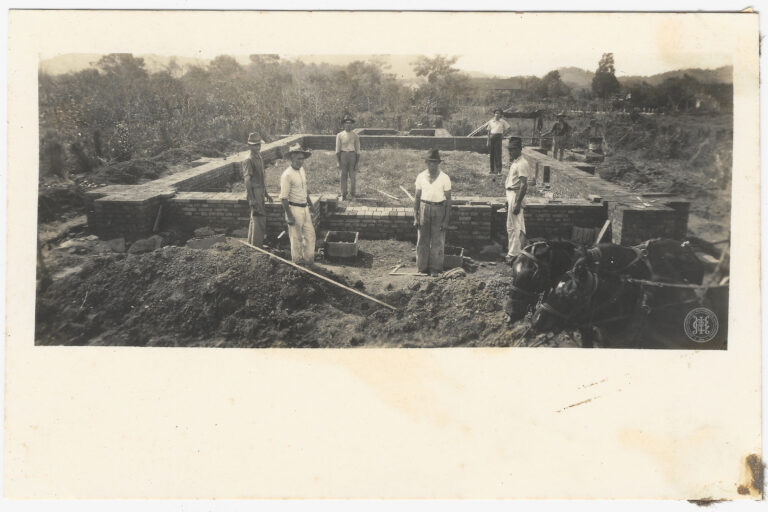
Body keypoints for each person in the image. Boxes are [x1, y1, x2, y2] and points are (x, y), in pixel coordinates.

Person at [413, 149, 452, 276]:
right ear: (426, 163)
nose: (432, 165)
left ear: (438, 163)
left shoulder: (445, 178)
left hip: (439, 209)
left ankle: (435, 268)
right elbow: (417, 197)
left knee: (437, 241)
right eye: (430, 162)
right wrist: (416, 217)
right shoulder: (420, 176)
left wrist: (446, 220)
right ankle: (422, 268)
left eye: (435, 162)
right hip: (424, 208)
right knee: (422, 240)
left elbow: (448, 200)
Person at [279, 143, 316, 265]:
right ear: (291, 158)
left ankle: (309, 262)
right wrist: (289, 216)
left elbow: (304, 190)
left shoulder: (302, 170)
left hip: (305, 208)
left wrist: (311, 205)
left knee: (310, 236)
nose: (300, 161)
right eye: (298, 159)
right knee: (296, 239)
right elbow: (283, 198)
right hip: (294, 209)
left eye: (302, 159)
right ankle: (297, 265)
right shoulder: (287, 175)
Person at [242, 132, 272, 247]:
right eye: (254, 145)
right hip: (254, 191)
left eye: (259, 144)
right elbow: (247, 180)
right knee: (259, 218)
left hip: (260, 190)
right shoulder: (248, 159)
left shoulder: (259, 157)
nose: (257, 147)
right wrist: (251, 198)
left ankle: (251, 244)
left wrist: (266, 194)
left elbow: (261, 177)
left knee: (255, 218)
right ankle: (257, 246)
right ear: (249, 145)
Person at [504, 137, 532, 263]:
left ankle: (514, 255)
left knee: (516, 226)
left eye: (514, 149)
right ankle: (514, 251)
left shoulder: (522, 163)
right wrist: (508, 199)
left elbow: (523, 185)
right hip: (511, 194)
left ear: (520, 149)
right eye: (510, 149)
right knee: (511, 226)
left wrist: (517, 203)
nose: (511, 152)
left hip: (516, 195)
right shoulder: (515, 162)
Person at [335, 114, 361, 200]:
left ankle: (353, 194)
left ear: (352, 124)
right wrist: (338, 162)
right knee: (343, 175)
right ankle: (343, 194)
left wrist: (357, 163)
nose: (348, 124)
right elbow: (337, 150)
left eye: (350, 123)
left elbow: (358, 150)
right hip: (343, 156)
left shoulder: (355, 135)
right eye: (346, 123)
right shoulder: (339, 135)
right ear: (344, 124)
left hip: (352, 156)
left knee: (353, 176)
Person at [486, 107, 511, 174]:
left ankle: (499, 171)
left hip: (498, 138)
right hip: (492, 137)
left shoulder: (502, 121)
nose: (497, 114)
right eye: (496, 113)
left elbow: (509, 128)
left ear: (500, 115)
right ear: (494, 114)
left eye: (498, 113)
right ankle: (492, 170)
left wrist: (503, 135)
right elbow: (488, 132)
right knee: (491, 154)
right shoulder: (491, 121)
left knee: (498, 154)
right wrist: (488, 141)